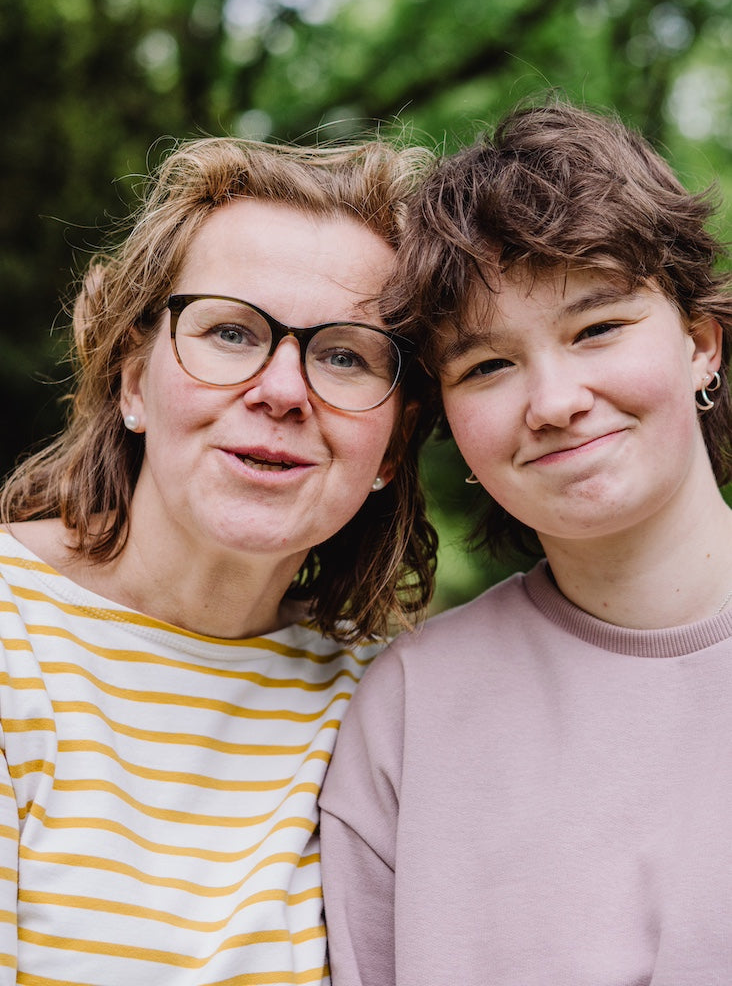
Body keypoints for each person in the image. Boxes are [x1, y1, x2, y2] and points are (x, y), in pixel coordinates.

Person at [0, 134, 438, 984]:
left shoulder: (386, 707)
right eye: (232, 332)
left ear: (394, 443)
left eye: (344, 354)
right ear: (133, 380)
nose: (281, 390)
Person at [319, 102, 732, 985]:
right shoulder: (407, 716)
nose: (554, 401)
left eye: (597, 328)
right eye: (488, 367)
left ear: (701, 344)